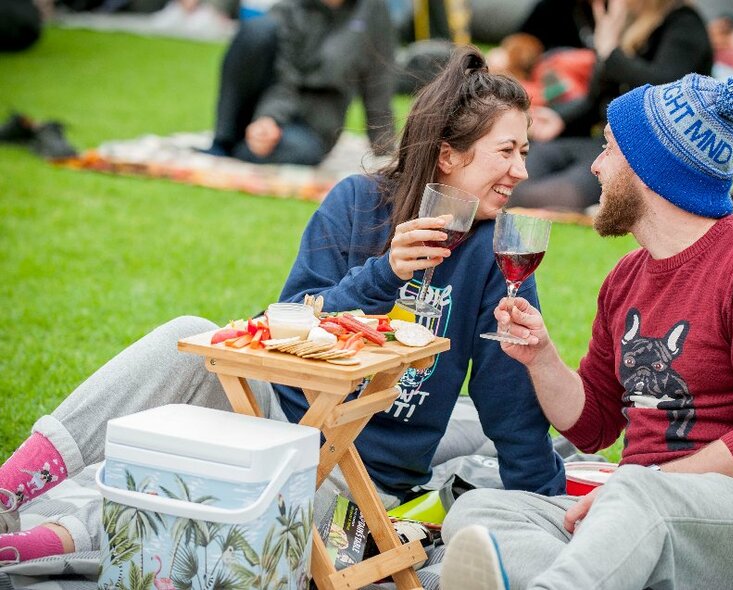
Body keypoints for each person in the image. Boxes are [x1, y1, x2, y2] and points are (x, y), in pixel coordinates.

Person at [0, 46, 566, 566]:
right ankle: (9, 489)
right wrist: (384, 275)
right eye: (507, 152)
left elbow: (508, 406)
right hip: (273, 413)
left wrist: (552, 511)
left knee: (228, 481)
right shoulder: (356, 203)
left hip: (355, 475)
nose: (521, 170)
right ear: (448, 156)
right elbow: (284, 326)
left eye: (525, 152)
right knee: (191, 335)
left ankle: (42, 543)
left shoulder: (499, 255)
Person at [440, 73, 733, 590]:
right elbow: (594, 427)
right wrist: (541, 358)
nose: (595, 167)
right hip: (643, 512)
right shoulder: (625, 277)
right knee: (480, 511)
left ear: (652, 169)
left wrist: (640, 489)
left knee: (633, 494)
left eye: (607, 149)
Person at [510, 0, 713, 213]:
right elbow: (599, 101)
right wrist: (560, 119)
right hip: (601, 142)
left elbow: (663, 91)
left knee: (530, 197)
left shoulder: (684, 25)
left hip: (643, 155)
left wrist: (611, 54)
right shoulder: (626, 24)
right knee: (519, 171)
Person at [202, 0, 397, 165]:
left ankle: (244, 146)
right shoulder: (290, 7)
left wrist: (386, 153)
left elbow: (379, 82)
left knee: (299, 150)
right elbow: (283, 76)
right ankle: (226, 139)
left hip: (315, 125)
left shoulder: (374, 11)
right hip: (269, 103)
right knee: (256, 31)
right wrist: (269, 118)